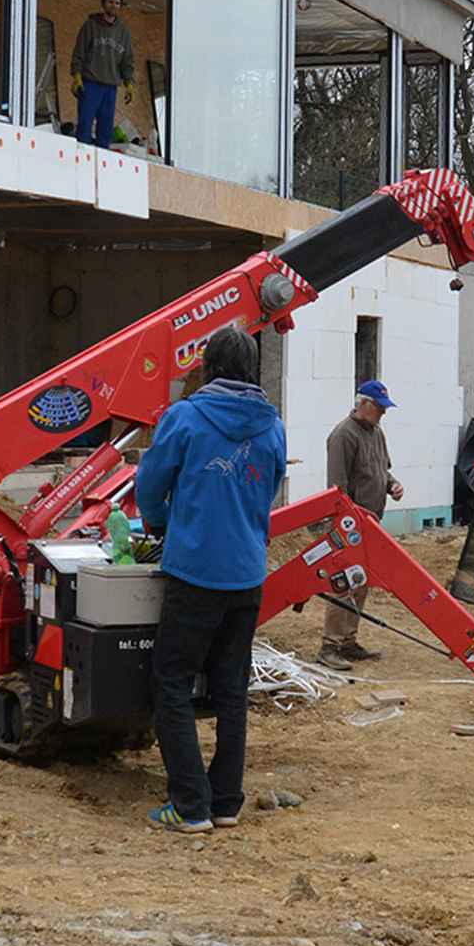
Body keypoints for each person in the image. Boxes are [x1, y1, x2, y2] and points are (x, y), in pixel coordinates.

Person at [132, 326, 288, 833]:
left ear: (207, 365)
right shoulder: (273, 427)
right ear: (250, 370)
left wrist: (159, 521)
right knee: (231, 691)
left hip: (194, 574)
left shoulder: (185, 418)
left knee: (172, 683)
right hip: (246, 575)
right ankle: (225, 803)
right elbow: (269, 491)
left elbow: (150, 486)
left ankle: (189, 805)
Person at [317, 379, 404, 671]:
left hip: (371, 523)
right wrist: (347, 524)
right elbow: (337, 490)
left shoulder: (376, 433)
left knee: (361, 581)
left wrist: (392, 485)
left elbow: (382, 471)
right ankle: (330, 646)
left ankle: (348, 642)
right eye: (379, 408)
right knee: (343, 583)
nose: (383, 414)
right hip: (351, 525)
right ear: (363, 404)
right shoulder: (344, 436)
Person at [69, 0, 136, 149]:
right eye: (111, 2)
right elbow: (79, 53)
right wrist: (76, 75)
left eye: (117, 3)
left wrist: (129, 82)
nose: (114, 6)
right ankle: (81, 157)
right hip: (90, 83)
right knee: (85, 123)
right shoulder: (90, 26)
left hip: (110, 87)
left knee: (105, 129)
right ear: (104, 4)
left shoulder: (123, 33)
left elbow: (127, 61)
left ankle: (102, 163)